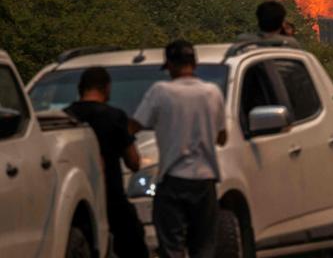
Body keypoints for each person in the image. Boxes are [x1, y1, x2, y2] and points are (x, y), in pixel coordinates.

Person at [132, 40, 228, 258]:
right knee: (204, 246)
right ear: (194, 63)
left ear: (171, 66)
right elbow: (222, 137)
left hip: (173, 180)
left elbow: (134, 125)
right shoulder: (212, 92)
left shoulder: (160, 92)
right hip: (205, 181)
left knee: (172, 248)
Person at [64, 67, 148, 258]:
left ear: (80, 88)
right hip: (112, 199)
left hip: (78, 206)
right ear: (107, 88)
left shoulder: (67, 117)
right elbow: (133, 162)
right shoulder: (114, 116)